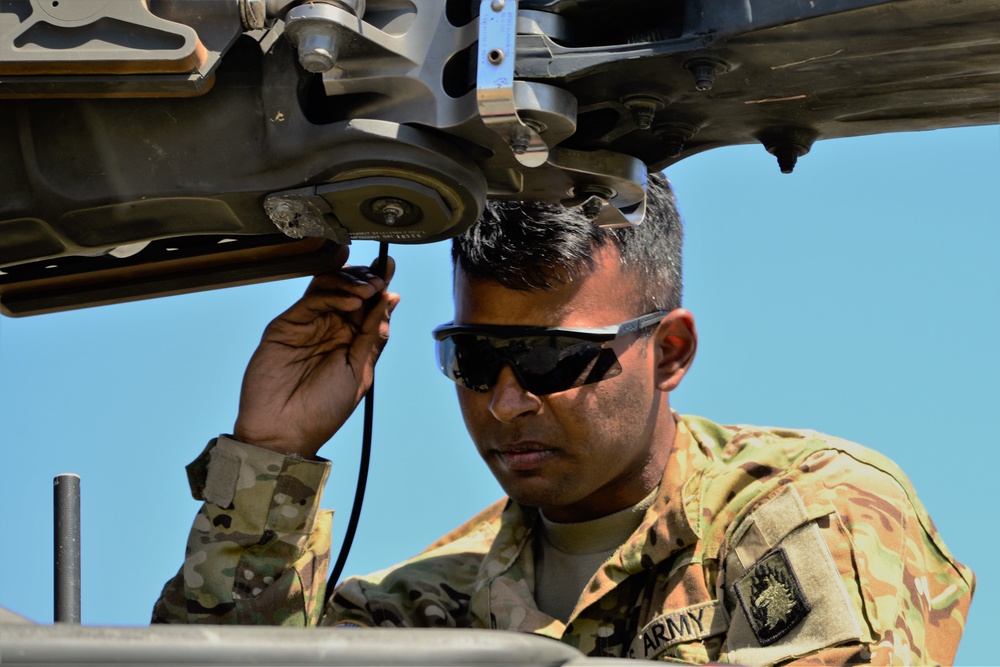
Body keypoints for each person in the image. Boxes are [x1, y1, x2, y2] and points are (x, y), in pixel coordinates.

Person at [152, 174, 974, 665]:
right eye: (474, 359)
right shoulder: (425, 607)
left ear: (671, 351)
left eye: (550, 359)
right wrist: (270, 453)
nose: (506, 401)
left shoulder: (802, 513)